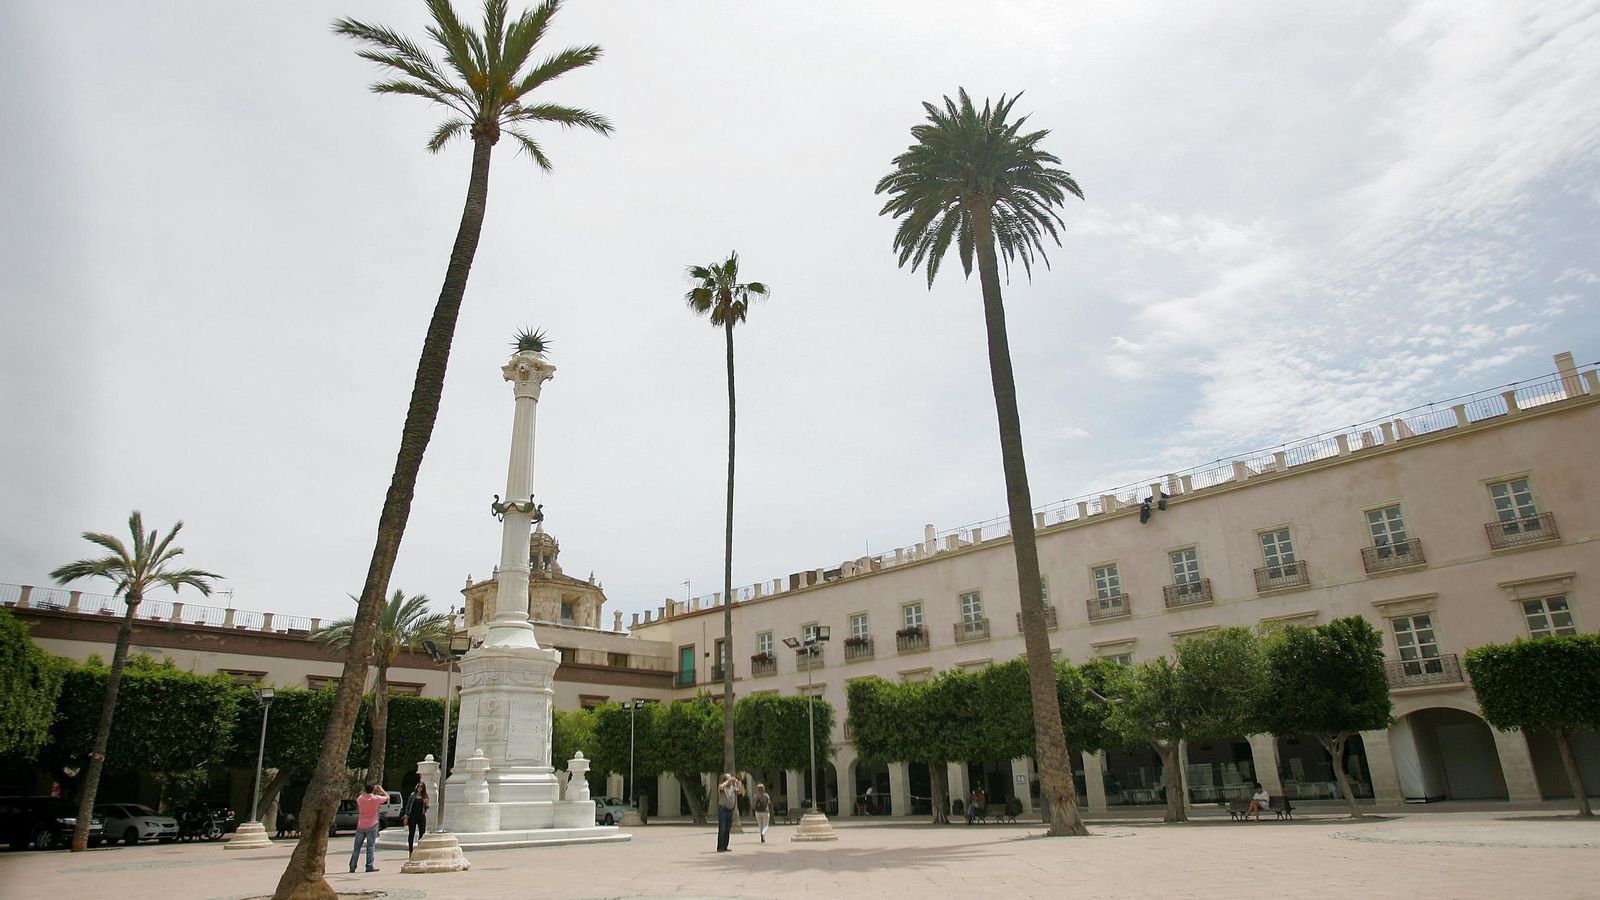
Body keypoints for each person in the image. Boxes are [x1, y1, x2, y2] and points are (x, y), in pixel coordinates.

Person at [349, 783, 385, 873]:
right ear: (373, 790)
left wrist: (367, 791)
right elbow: (387, 797)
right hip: (372, 824)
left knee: (357, 847)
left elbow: (360, 796)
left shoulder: (360, 799)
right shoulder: (375, 798)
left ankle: (353, 866)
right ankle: (369, 865)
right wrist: (381, 790)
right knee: (370, 846)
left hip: (361, 824)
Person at [715, 773, 744, 852]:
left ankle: (725, 846)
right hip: (723, 810)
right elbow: (721, 787)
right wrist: (728, 781)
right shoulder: (722, 787)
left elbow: (741, 792)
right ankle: (720, 847)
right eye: (728, 779)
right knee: (722, 829)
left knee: (727, 829)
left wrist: (738, 783)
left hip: (730, 810)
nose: (730, 780)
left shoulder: (733, 788)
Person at [402, 782, 429, 854]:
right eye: (418, 786)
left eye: (421, 787)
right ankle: (410, 850)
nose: (419, 788)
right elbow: (408, 806)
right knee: (411, 833)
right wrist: (406, 815)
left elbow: (426, 808)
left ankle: (419, 849)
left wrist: (426, 804)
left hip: (421, 816)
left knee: (422, 833)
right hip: (412, 816)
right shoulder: (412, 796)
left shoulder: (425, 796)